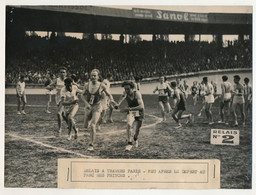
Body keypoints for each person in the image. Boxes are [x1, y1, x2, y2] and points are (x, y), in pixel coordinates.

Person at [82, 69, 115, 151]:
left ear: (98, 77)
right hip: (88, 107)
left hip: (97, 106)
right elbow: (82, 95)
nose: (93, 77)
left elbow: (109, 94)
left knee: (93, 125)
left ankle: (91, 144)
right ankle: (87, 123)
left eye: (94, 75)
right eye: (91, 75)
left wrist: (111, 100)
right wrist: (86, 104)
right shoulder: (86, 85)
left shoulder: (102, 85)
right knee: (85, 126)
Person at [116, 81, 145, 151]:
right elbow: (122, 97)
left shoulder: (137, 94)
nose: (126, 91)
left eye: (128, 89)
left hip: (139, 112)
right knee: (129, 124)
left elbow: (141, 106)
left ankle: (135, 137)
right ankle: (129, 142)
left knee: (137, 129)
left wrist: (128, 109)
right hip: (131, 112)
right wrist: (117, 104)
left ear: (133, 88)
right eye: (125, 89)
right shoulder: (125, 93)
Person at [47, 66, 67, 133]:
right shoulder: (56, 80)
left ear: (66, 73)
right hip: (58, 98)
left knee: (59, 113)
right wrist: (49, 87)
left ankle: (60, 128)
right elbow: (49, 85)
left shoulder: (68, 80)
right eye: (61, 72)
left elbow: (75, 86)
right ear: (59, 73)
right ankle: (70, 124)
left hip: (65, 99)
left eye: (63, 72)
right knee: (63, 115)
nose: (62, 74)